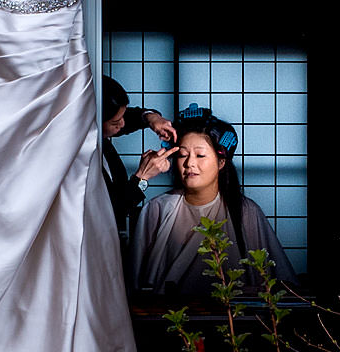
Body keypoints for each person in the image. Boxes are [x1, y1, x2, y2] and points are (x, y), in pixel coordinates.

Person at [131, 109, 296, 300]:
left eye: (200, 156)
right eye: (183, 155)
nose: (190, 163)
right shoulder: (157, 209)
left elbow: (279, 281)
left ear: (221, 162)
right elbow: (134, 281)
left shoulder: (245, 211)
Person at [99, 77, 176, 243]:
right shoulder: (77, 155)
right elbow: (112, 211)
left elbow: (130, 117)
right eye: (115, 122)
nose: (122, 124)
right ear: (94, 118)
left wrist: (151, 118)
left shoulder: (99, 131)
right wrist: (142, 177)